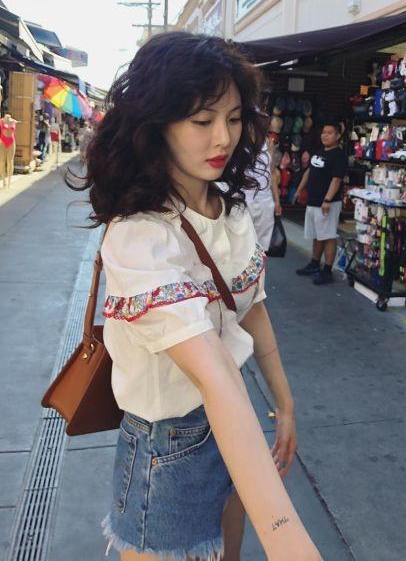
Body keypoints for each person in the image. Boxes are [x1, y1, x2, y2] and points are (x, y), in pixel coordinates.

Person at [67, 32, 321, 561]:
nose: (222, 138)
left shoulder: (231, 212)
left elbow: (252, 310)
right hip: (167, 449)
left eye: (234, 118)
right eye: (202, 121)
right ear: (156, 125)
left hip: (231, 425)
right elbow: (213, 372)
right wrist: (288, 540)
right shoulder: (141, 235)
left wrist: (285, 402)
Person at [294, 122, 348, 285]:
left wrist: (327, 199)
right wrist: (299, 189)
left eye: (329, 133)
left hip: (327, 203)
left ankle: (327, 270)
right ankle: (314, 263)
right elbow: (309, 171)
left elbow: (336, 179)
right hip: (313, 201)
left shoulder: (339, 155)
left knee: (328, 236)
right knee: (317, 235)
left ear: (338, 136)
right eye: (324, 132)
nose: (325, 135)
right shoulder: (319, 152)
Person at [244, 133, 282, 251]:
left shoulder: (269, 143)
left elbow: (271, 175)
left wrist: (277, 201)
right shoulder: (240, 140)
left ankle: (258, 263)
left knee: (261, 245)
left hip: (265, 200)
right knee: (243, 242)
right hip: (244, 198)